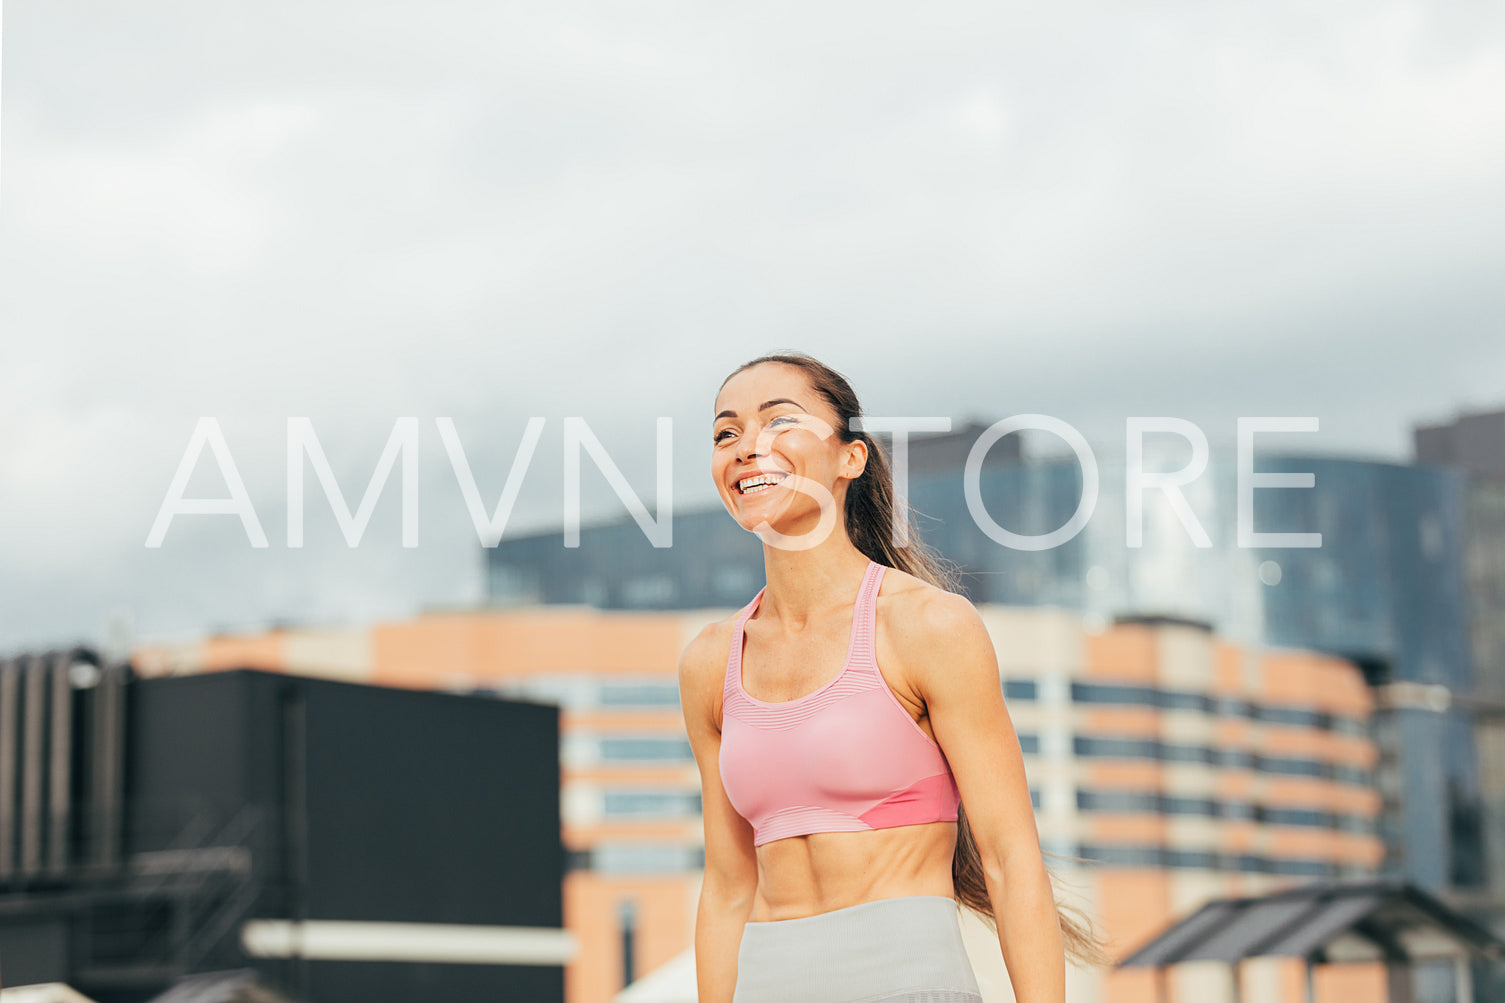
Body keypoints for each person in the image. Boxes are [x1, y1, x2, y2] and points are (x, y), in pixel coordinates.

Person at [678, 352, 1105, 1003]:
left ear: (851, 457)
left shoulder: (927, 626)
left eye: (777, 421)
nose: (745, 447)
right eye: (725, 433)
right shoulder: (710, 660)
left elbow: (1009, 858)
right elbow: (728, 884)